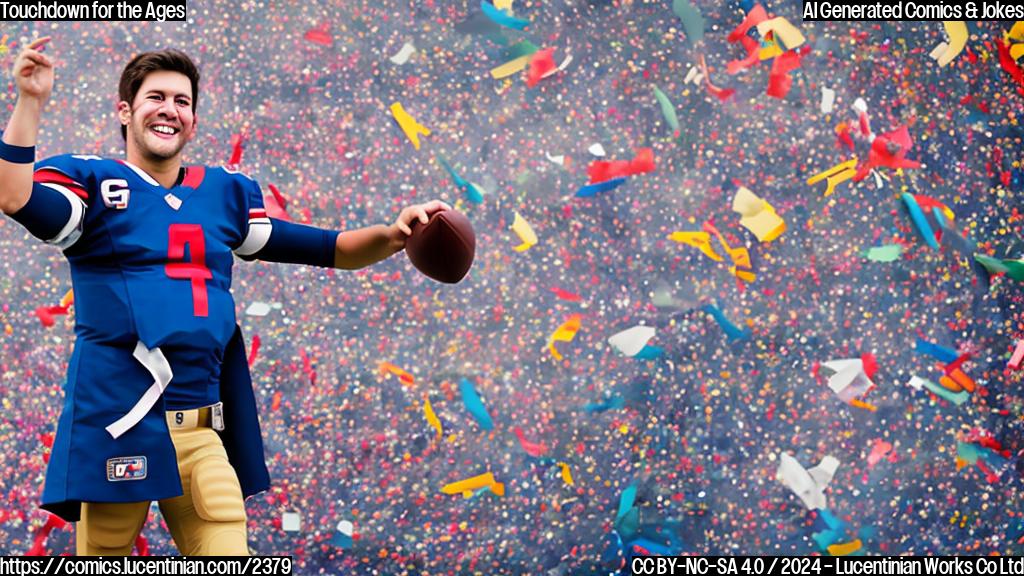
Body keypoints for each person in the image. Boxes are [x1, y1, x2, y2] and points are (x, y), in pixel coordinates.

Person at [0, 39, 450, 555]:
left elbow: (331, 248)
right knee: (103, 553)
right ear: (125, 111)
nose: (170, 109)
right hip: (119, 422)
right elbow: (14, 196)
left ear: (193, 120)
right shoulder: (94, 182)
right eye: (156, 97)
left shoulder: (223, 195)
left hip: (199, 425)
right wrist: (30, 102)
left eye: (183, 101)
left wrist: (394, 234)